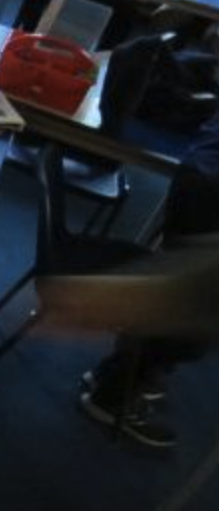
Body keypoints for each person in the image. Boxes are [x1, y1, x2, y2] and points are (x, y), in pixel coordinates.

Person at [76, 111, 219, 448]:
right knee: (193, 309)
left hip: (200, 171)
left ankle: (116, 374)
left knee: (176, 291)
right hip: (212, 192)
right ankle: (113, 398)